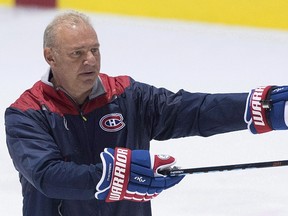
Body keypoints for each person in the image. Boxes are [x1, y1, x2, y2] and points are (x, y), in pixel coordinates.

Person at [5, 10, 288, 216]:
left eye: (94, 50)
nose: (90, 60)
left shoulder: (127, 96)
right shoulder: (27, 113)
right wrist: (115, 176)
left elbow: (192, 110)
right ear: (50, 56)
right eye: (77, 53)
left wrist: (258, 107)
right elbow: (47, 175)